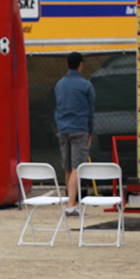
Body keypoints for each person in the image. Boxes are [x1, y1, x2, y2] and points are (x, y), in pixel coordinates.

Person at [54, 51, 95, 215]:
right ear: (80, 65)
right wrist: (90, 132)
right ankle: (71, 204)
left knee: (68, 166)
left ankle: (72, 201)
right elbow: (90, 111)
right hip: (79, 128)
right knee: (78, 166)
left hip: (63, 128)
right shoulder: (86, 85)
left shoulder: (60, 84)